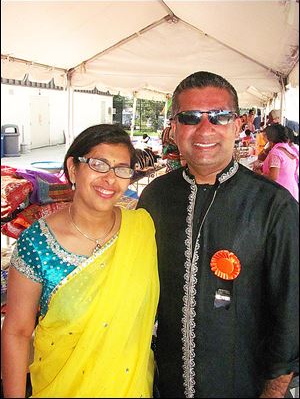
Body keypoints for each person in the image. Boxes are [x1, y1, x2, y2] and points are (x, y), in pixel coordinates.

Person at [137, 71, 299, 398]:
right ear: (174, 129)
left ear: (237, 125)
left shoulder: (273, 204)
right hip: (166, 382)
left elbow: (291, 307)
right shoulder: (155, 198)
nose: (205, 128)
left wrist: (274, 390)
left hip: (244, 384)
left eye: (220, 117)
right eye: (190, 117)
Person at [1, 124, 159, 398]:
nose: (110, 178)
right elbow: (16, 331)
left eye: (121, 169)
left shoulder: (142, 229)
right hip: (61, 386)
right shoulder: (37, 242)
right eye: (99, 164)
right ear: (73, 168)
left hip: (131, 387)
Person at [262, 124, 299, 201]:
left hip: (282, 193)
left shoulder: (276, 152)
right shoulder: (287, 149)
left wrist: (259, 174)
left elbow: (273, 177)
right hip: (291, 189)